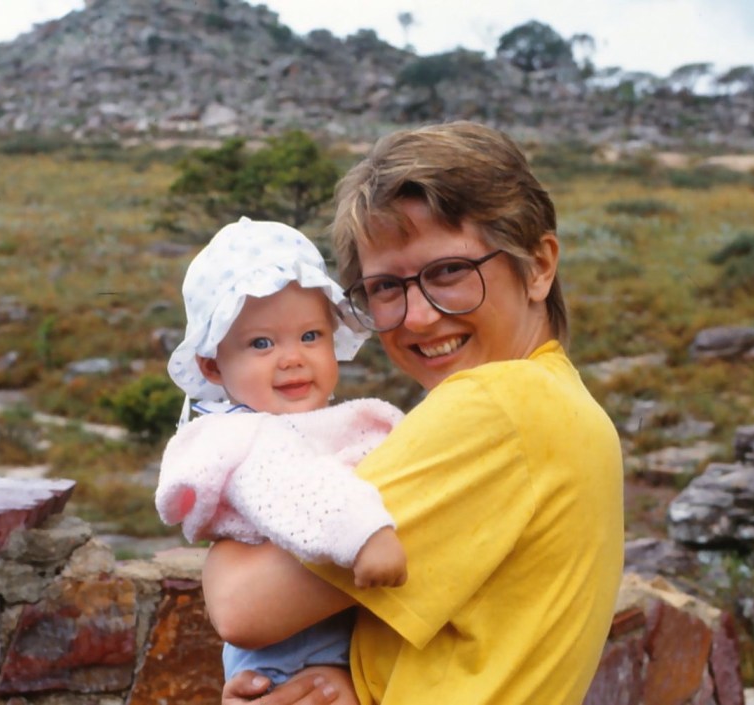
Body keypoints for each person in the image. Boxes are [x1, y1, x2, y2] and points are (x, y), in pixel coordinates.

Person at [204, 121, 625, 705]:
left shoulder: (494, 407)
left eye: (449, 272)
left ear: (538, 265)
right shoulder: (564, 405)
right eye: (385, 287)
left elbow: (243, 606)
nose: (419, 317)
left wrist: (222, 522)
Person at [157, 216, 408, 701]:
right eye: (262, 343)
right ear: (212, 365)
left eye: (310, 336)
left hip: (343, 640)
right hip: (293, 662)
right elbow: (293, 487)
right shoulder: (238, 436)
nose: (292, 358)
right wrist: (367, 535)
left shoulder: (313, 424)